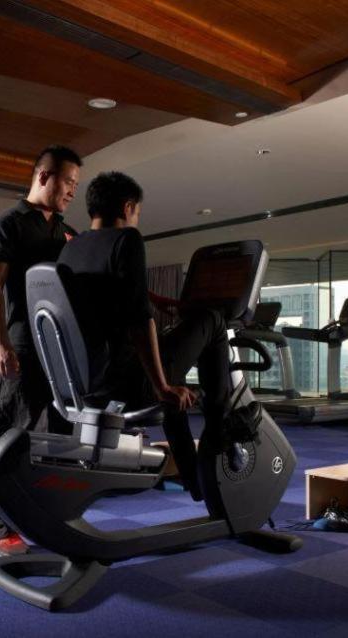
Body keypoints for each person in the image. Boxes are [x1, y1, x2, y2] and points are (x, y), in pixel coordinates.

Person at [57, 171, 236, 496]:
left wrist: (158, 302)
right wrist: (161, 387)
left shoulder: (72, 248)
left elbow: (109, 297)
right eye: (137, 212)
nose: (136, 218)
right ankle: (220, 430)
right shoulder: (127, 239)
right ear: (128, 207)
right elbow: (139, 321)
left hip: (88, 386)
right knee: (213, 320)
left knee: (169, 372)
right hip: (131, 385)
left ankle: (195, 479)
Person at [0, 145, 82, 556]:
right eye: (67, 181)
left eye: (76, 184)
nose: (72, 190)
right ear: (43, 176)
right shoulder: (8, 225)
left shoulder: (66, 231)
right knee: (10, 431)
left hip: (61, 346)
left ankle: (51, 513)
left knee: (62, 431)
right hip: (23, 341)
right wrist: (1, 341)